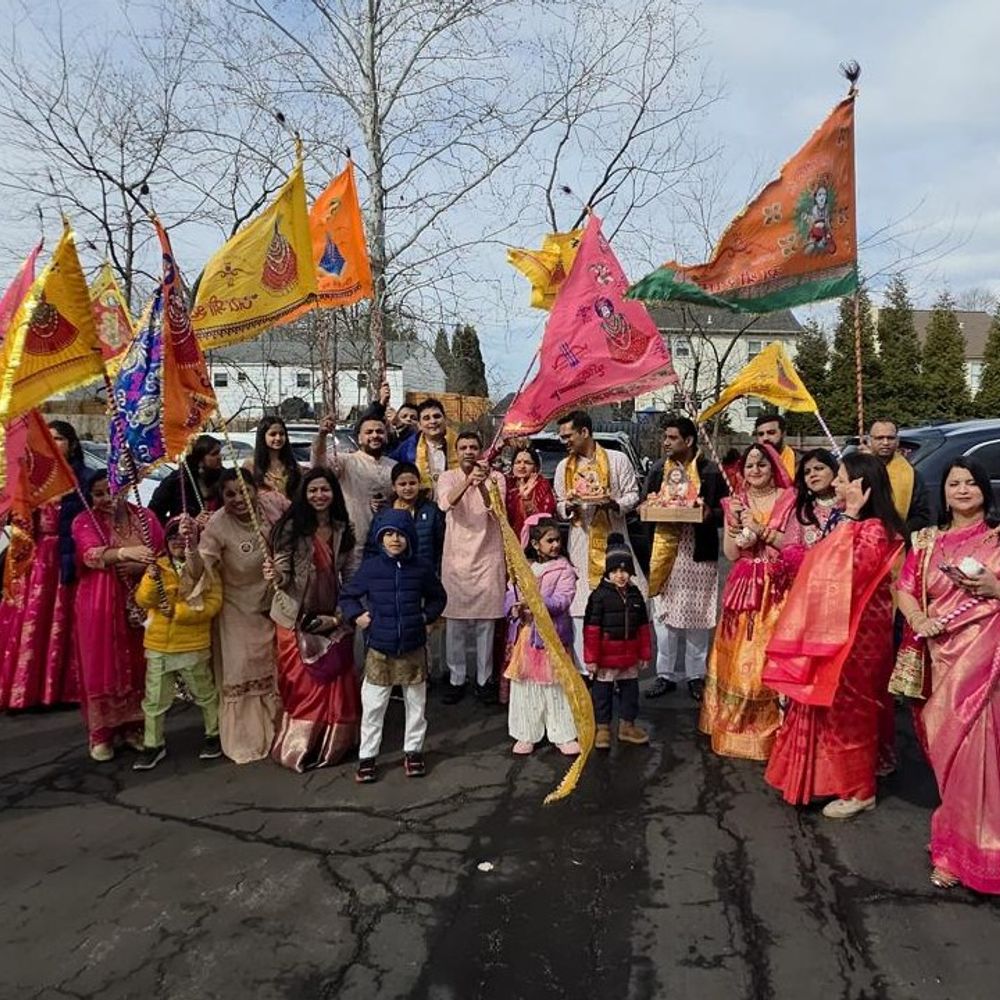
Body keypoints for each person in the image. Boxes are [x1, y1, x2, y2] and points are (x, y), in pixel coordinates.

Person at [764, 453, 904, 818]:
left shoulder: (872, 528)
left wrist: (853, 517)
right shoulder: (857, 524)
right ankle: (840, 778)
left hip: (856, 639)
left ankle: (859, 791)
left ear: (862, 486)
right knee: (840, 708)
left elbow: (847, 573)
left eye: (842, 479)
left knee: (850, 711)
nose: (836, 485)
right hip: (839, 632)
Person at [894, 459, 1000, 893]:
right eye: (954, 483)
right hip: (937, 656)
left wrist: (996, 588)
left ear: (984, 492)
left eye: (971, 483)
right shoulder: (926, 541)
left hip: (985, 661)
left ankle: (964, 853)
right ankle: (957, 831)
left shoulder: (997, 539)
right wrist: (918, 618)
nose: (962, 490)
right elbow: (902, 587)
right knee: (946, 756)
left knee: (977, 757)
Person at [183, 468, 287, 764]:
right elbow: (197, 572)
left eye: (244, 491)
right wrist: (191, 547)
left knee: (275, 667)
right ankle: (246, 738)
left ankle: (281, 731)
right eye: (230, 494)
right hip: (236, 612)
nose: (239, 499)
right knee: (244, 670)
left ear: (256, 489)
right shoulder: (217, 526)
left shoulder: (271, 508)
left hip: (274, 606)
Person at [699, 443, 795, 760]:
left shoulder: (789, 501)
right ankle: (734, 723)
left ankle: (774, 729)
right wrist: (736, 527)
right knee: (737, 653)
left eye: (762, 464)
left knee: (769, 654)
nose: (754, 470)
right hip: (743, 587)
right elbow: (730, 554)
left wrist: (761, 530)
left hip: (778, 587)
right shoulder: (735, 503)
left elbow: (792, 547)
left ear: (775, 468)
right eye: (749, 465)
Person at [265, 468, 362, 771]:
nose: (319, 496)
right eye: (313, 491)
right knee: (302, 684)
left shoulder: (343, 528)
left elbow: (351, 575)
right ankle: (301, 746)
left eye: (325, 490)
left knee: (338, 676)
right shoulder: (291, 529)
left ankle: (336, 744)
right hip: (295, 618)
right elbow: (283, 576)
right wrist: (275, 575)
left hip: (334, 614)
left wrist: (340, 616)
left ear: (334, 493)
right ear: (303, 495)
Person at [340, 510, 447, 783]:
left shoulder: (421, 568)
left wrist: (426, 618)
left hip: (413, 647)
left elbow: (438, 596)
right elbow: (348, 595)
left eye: (400, 533)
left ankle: (413, 751)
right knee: (374, 706)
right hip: (379, 647)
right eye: (388, 533)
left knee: (416, 704)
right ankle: (367, 757)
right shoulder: (371, 568)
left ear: (409, 536)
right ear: (380, 537)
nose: (394, 539)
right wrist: (358, 616)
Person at [71, 471, 164, 761]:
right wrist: (125, 553)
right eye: (98, 493)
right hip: (99, 603)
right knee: (102, 665)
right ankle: (101, 733)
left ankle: (134, 727)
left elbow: (161, 552)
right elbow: (90, 554)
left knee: (140, 665)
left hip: (141, 600)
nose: (106, 499)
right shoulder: (84, 520)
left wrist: (141, 566)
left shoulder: (145, 517)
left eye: (112, 491)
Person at [0, 419, 87, 710]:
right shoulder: (32, 478)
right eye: (48, 438)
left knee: (65, 622)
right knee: (31, 619)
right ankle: (25, 690)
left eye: (60, 438)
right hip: (37, 559)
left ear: (72, 444)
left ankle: (63, 691)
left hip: (68, 555)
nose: (54, 443)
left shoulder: (82, 479)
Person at [643, 417, 728, 702]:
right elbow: (647, 503)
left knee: (697, 616)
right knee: (663, 616)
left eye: (671, 437)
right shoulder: (658, 469)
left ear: (688, 441)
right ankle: (664, 674)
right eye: (665, 437)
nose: (665, 442)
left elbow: (724, 511)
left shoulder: (711, 472)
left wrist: (708, 515)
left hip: (698, 552)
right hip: (665, 550)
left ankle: (696, 676)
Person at [553, 410, 644, 669]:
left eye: (568, 436)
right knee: (581, 604)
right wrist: (568, 506)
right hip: (581, 541)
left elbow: (633, 495)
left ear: (584, 432)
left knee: (616, 602)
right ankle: (584, 668)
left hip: (613, 539)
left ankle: (617, 666)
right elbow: (559, 502)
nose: (565, 442)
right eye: (561, 437)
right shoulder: (564, 467)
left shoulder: (617, 459)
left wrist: (613, 503)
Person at [132, 518, 223, 771]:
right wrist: (151, 579)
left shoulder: (206, 569)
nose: (178, 545)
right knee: (154, 699)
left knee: (204, 693)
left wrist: (179, 612)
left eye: (184, 541)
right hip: (159, 645)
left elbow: (213, 604)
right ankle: (153, 743)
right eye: (173, 539)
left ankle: (213, 733)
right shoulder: (158, 567)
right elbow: (142, 599)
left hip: (192, 645)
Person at [437, 430, 507, 705]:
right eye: (463, 447)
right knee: (455, 625)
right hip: (456, 559)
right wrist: (468, 481)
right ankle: (456, 678)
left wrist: (481, 483)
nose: (468, 451)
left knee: (485, 626)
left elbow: (496, 511)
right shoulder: (447, 477)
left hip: (488, 557)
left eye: (473, 447)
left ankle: (483, 679)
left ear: (481, 450)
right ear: (456, 451)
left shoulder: (496, 477)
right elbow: (445, 504)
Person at [504, 515, 580, 756]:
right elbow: (510, 594)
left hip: (552, 636)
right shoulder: (524, 569)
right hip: (527, 637)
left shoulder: (565, 569)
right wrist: (514, 606)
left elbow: (562, 600)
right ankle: (526, 732)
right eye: (550, 541)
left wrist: (535, 602)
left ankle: (563, 733)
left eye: (557, 540)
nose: (555, 545)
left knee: (556, 686)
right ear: (536, 544)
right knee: (526, 686)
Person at [583, 533, 651, 749]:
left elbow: (643, 627)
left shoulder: (635, 594)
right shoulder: (599, 596)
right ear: (607, 572)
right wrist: (591, 659)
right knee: (602, 693)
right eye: (615, 571)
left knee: (630, 691)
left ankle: (627, 725)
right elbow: (591, 630)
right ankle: (603, 728)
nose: (620, 575)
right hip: (605, 656)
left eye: (624, 571)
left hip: (629, 654)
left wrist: (645, 653)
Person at [312, 411, 395, 578]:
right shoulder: (346, 461)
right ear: (359, 438)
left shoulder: (394, 467)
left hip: (387, 543)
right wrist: (322, 435)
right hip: (354, 542)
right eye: (369, 432)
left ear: (386, 436)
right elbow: (318, 466)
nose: (375, 436)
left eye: (379, 432)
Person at [366, 462, 445, 573]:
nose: (408, 488)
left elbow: (440, 548)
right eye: (402, 484)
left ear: (419, 483)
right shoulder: (383, 514)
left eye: (412, 483)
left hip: (424, 575)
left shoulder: (432, 511)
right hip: (391, 576)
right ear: (394, 487)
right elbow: (372, 549)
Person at [778, 448, 840, 574]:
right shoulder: (802, 512)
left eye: (819, 468)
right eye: (807, 472)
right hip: (811, 581)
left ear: (834, 471)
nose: (812, 474)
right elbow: (789, 549)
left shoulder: (849, 507)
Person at [866, 419, 931, 535]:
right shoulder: (859, 470)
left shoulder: (910, 474)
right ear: (869, 441)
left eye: (890, 438)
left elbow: (923, 515)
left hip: (899, 540)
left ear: (898, 441)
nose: (885, 442)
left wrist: (899, 532)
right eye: (879, 438)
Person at [148, 434, 223, 526]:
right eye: (214, 454)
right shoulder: (176, 481)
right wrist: (186, 522)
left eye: (219, 452)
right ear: (199, 459)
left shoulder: (225, 478)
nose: (220, 457)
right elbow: (152, 515)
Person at [388, 398, 458, 493]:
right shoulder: (408, 447)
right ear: (419, 425)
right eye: (426, 418)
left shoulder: (460, 444)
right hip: (422, 503)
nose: (433, 421)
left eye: (437, 416)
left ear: (445, 419)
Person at [505, 445, 556, 540]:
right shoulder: (506, 484)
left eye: (527, 463)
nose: (522, 466)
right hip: (509, 540)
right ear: (512, 466)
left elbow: (544, 519)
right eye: (517, 462)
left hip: (536, 540)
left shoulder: (542, 486)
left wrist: (527, 501)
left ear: (535, 467)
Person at [245, 416, 302, 500]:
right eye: (273, 434)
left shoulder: (293, 466)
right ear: (262, 436)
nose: (278, 438)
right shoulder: (251, 465)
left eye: (281, 434)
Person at [754, 413, 796, 479]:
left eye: (771, 432)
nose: (765, 438)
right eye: (761, 434)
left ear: (783, 434)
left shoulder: (801, 461)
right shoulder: (751, 462)